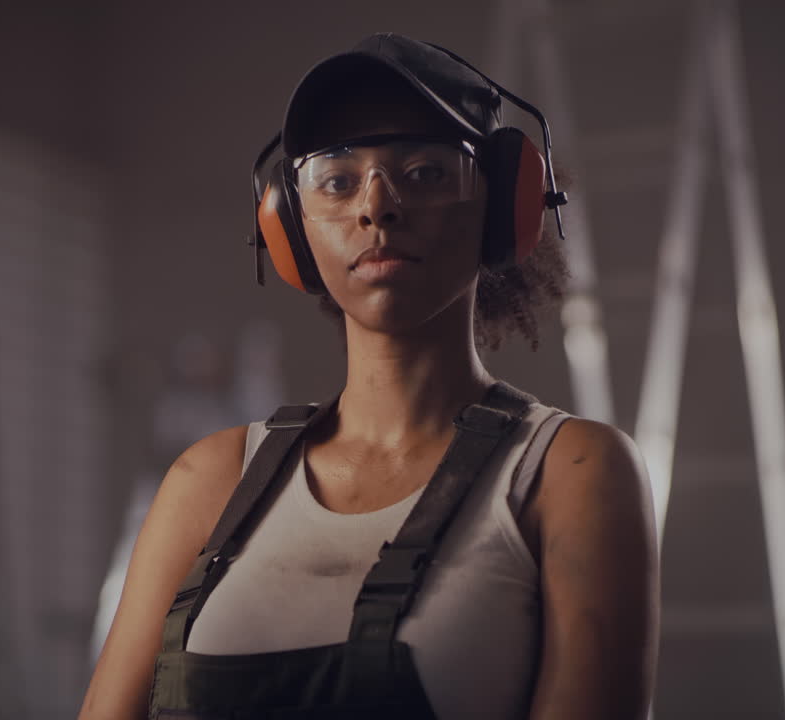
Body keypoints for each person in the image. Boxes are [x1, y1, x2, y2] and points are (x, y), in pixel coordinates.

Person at [81, 33, 658, 720]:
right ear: (288, 224)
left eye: (424, 173)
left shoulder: (571, 474)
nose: (376, 207)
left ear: (509, 203)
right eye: (337, 178)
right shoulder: (209, 483)